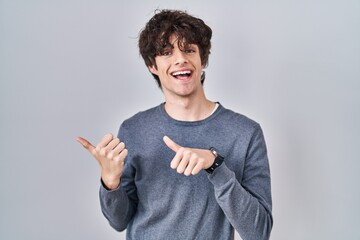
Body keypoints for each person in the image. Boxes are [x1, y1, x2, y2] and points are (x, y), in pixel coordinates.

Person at [77, 9, 273, 240]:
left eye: (189, 49)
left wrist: (215, 166)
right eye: (167, 52)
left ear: (202, 60)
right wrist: (110, 183)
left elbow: (258, 232)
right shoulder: (134, 129)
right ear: (152, 65)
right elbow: (118, 221)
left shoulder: (245, 133)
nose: (180, 59)